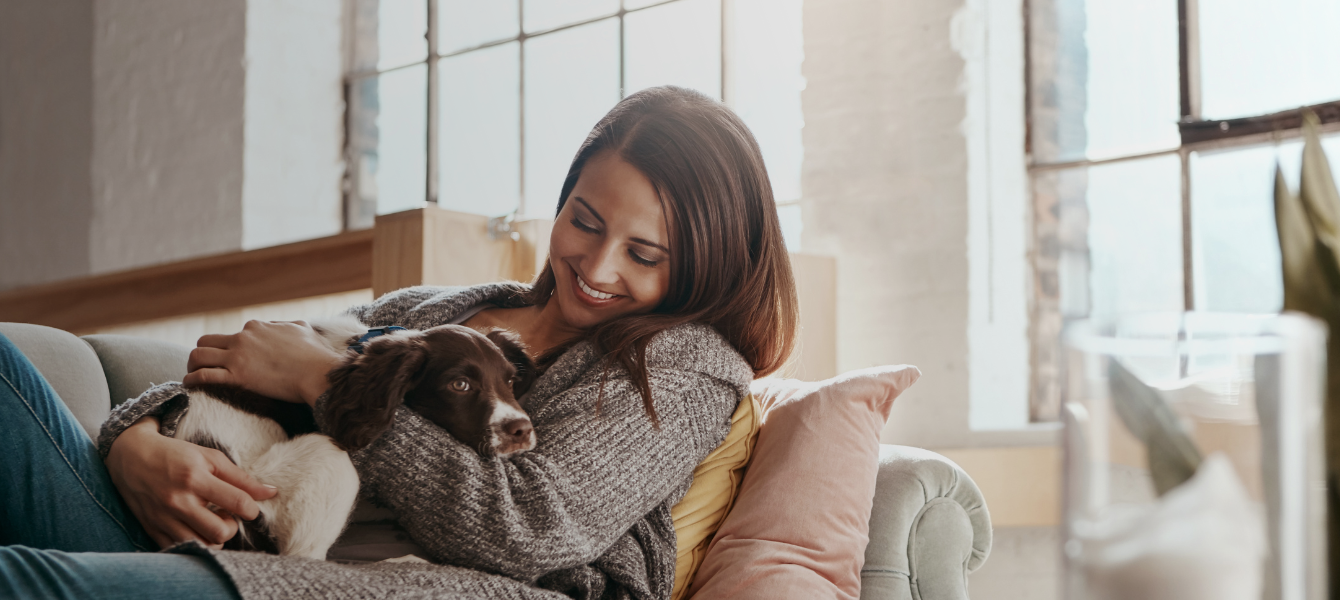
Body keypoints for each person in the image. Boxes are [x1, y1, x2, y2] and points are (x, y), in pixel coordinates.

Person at [0, 85, 798, 599]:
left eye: (645, 254)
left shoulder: (686, 364)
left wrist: (324, 383)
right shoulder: (433, 306)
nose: (596, 264)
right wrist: (135, 442)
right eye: (583, 220)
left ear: (702, 263)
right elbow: (237, 371)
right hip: (206, 521)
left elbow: (536, 528)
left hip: (360, 582)